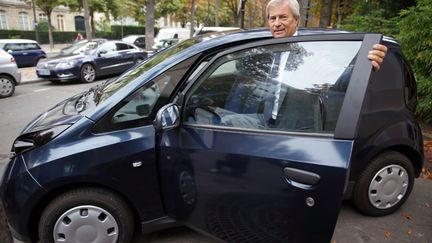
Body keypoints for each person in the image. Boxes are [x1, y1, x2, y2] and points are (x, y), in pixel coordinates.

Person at [266, 0, 387, 70]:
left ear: (296, 19)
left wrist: (365, 64)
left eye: (283, 17)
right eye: (272, 18)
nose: (276, 23)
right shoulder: (261, 50)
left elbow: (337, 79)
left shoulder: (312, 49)